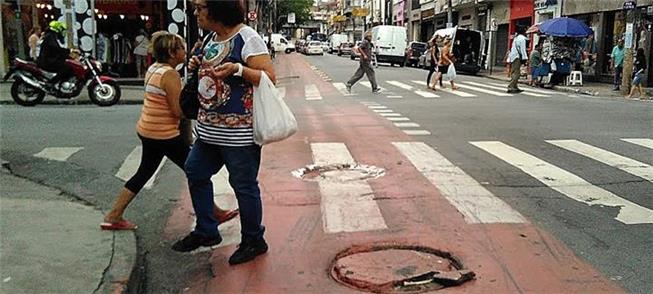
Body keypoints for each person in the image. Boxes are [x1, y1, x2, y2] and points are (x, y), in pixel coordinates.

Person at [101, 31, 238, 231]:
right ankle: (214, 213)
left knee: (144, 172)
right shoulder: (169, 75)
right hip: (163, 134)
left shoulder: (154, 69)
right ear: (173, 53)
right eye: (182, 48)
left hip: (148, 129)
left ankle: (114, 215)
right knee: (196, 170)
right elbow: (178, 111)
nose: (185, 51)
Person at [172, 0, 275, 266]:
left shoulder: (248, 38)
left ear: (217, 10)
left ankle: (254, 240)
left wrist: (238, 69)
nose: (196, 13)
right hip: (208, 130)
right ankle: (206, 231)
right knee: (195, 171)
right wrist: (196, 63)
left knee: (243, 185)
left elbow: (269, 77)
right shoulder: (209, 38)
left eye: (200, 8)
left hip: (239, 132)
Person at [506, 27, 528, 93]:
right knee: (516, 73)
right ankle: (511, 86)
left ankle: (515, 87)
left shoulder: (516, 38)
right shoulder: (522, 39)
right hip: (517, 57)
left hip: (513, 57)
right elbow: (523, 49)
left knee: (514, 72)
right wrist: (525, 58)